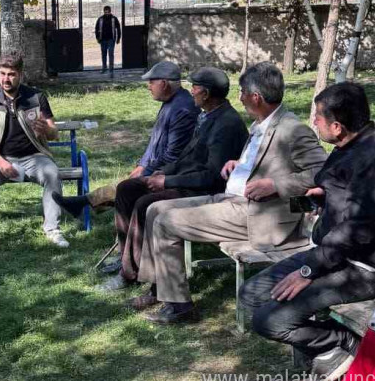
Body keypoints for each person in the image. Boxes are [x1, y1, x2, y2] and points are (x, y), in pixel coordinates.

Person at [241, 82, 375, 381]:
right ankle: (330, 353)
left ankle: (345, 343)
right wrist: (302, 199)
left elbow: (357, 231)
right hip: (333, 254)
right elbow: (330, 190)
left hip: (364, 269)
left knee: (269, 321)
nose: (314, 123)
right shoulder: (348, 146)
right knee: (251, 294)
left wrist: (309, 270)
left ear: (337, 125)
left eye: (317, 117)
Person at [132, 62, 327, 324]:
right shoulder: (261, 123)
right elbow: (264, 160)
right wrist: (240, 165)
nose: (240, 97)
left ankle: (179, 306)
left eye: (243, 92)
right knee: (154, 209)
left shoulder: (292, 129)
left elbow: (323, 171)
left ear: (256, 97)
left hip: (257, 214)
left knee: (167, 223)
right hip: (231, 199)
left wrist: (275, 185)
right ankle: (159, 287)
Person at [67, 66, 247, 292]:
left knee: (145, 204)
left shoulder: (226, 124)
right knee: (127, 188)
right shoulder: (208, 115)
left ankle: (129, 274)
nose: (191, 91)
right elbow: (185, 159)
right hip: (186, 180)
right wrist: (162, 173)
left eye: (195, 87)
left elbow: (211, 176)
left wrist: (167, 181)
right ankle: (127, 260)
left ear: (207, 93)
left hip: (206, 191)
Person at [53, 61, 201, 217]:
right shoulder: (171, 102)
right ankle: (83, 203)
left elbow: (173, 155)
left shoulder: (183, 109)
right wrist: (142, 164)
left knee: (125, 188)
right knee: (124, 186)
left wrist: (146, 171)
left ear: (164, 84)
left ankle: (83, 204)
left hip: (171, 174)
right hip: (159, 168)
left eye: (151, 82)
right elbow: (155, 141)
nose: (148, 86)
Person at [0, 53, 69, 254]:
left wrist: (46, 129)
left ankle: (52, 229)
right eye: (2, 74)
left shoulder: (36, 97)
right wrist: (0, 162)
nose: (6, 79)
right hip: (1, 158)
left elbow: (54, 134)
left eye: (11, 74)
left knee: (52, 173)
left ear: (21, 74)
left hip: (34, 157)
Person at [95, 5, 121, 77]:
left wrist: (118, 38)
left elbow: (118, 28)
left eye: (108, 12)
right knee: (103, 54)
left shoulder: (114, 19)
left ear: (110, 11)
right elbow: (96, 29)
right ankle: (104, 68)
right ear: (104, 12)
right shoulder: (100, 19)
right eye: (105, 12)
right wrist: (97, 38)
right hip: (102, 40)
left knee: (111, 54)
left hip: (111, 40)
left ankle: (111, 70)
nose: (107, 13)